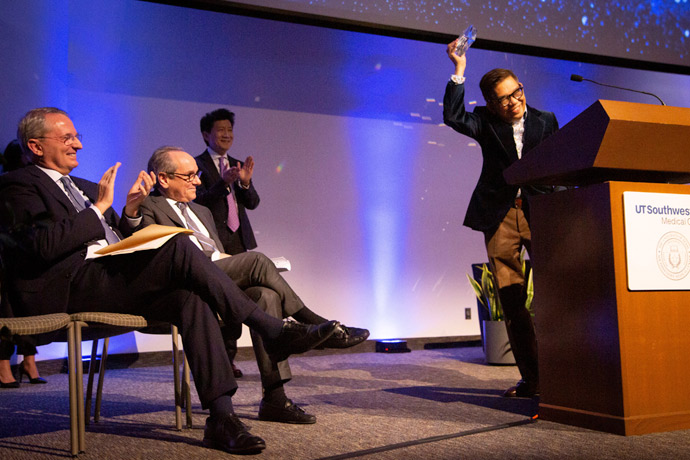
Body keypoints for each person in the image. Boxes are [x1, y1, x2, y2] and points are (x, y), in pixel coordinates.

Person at [0, 107, 340, 454]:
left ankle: (221, 418)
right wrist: (98, 209)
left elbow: (118, 236)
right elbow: (38, 247)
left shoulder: (85, 187)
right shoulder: (17, 184)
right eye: (67, 138)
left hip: (110, 277)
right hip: (70, 286)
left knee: (188, 298)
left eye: (77, 137)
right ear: (36, 146)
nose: (78, 146)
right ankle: (273, 330)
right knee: (178, 243)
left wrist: (129, 212)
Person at [139, 146, 370, 424]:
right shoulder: (147, 206)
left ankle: (274, 397)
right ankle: (317, 324)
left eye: (197, 175)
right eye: (189, 176)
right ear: (163, 179)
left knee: (266, 296)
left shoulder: (201, 210)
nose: (198, 181)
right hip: (186, 285)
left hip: (217, 280)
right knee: (257, 261)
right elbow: (151, 254)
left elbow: (218, 251)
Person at [443, 43, 559, 398]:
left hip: (543, 212)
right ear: (492, 103)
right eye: (504, 99)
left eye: (517, 92)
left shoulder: (546, 120)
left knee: (555, 296)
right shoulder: (485, 122)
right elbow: (453, 116)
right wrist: (458, 68)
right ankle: (532, 379)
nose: (514, 102)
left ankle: (562, 373)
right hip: (501, 216)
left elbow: (563, 163)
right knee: (511, 301)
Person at [194, 108, 259, 377]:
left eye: (230, 130)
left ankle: (230, 358)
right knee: (216, 300)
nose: (226, 135)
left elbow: (253, 203)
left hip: (237, 240)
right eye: (220, 130)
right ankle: (217, 358)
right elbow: (196, 203)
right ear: (206, 134)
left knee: (236, 300)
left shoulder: (237, 163)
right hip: (212, 240)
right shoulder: (195, 164)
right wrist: (222, 183)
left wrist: (244, 184)